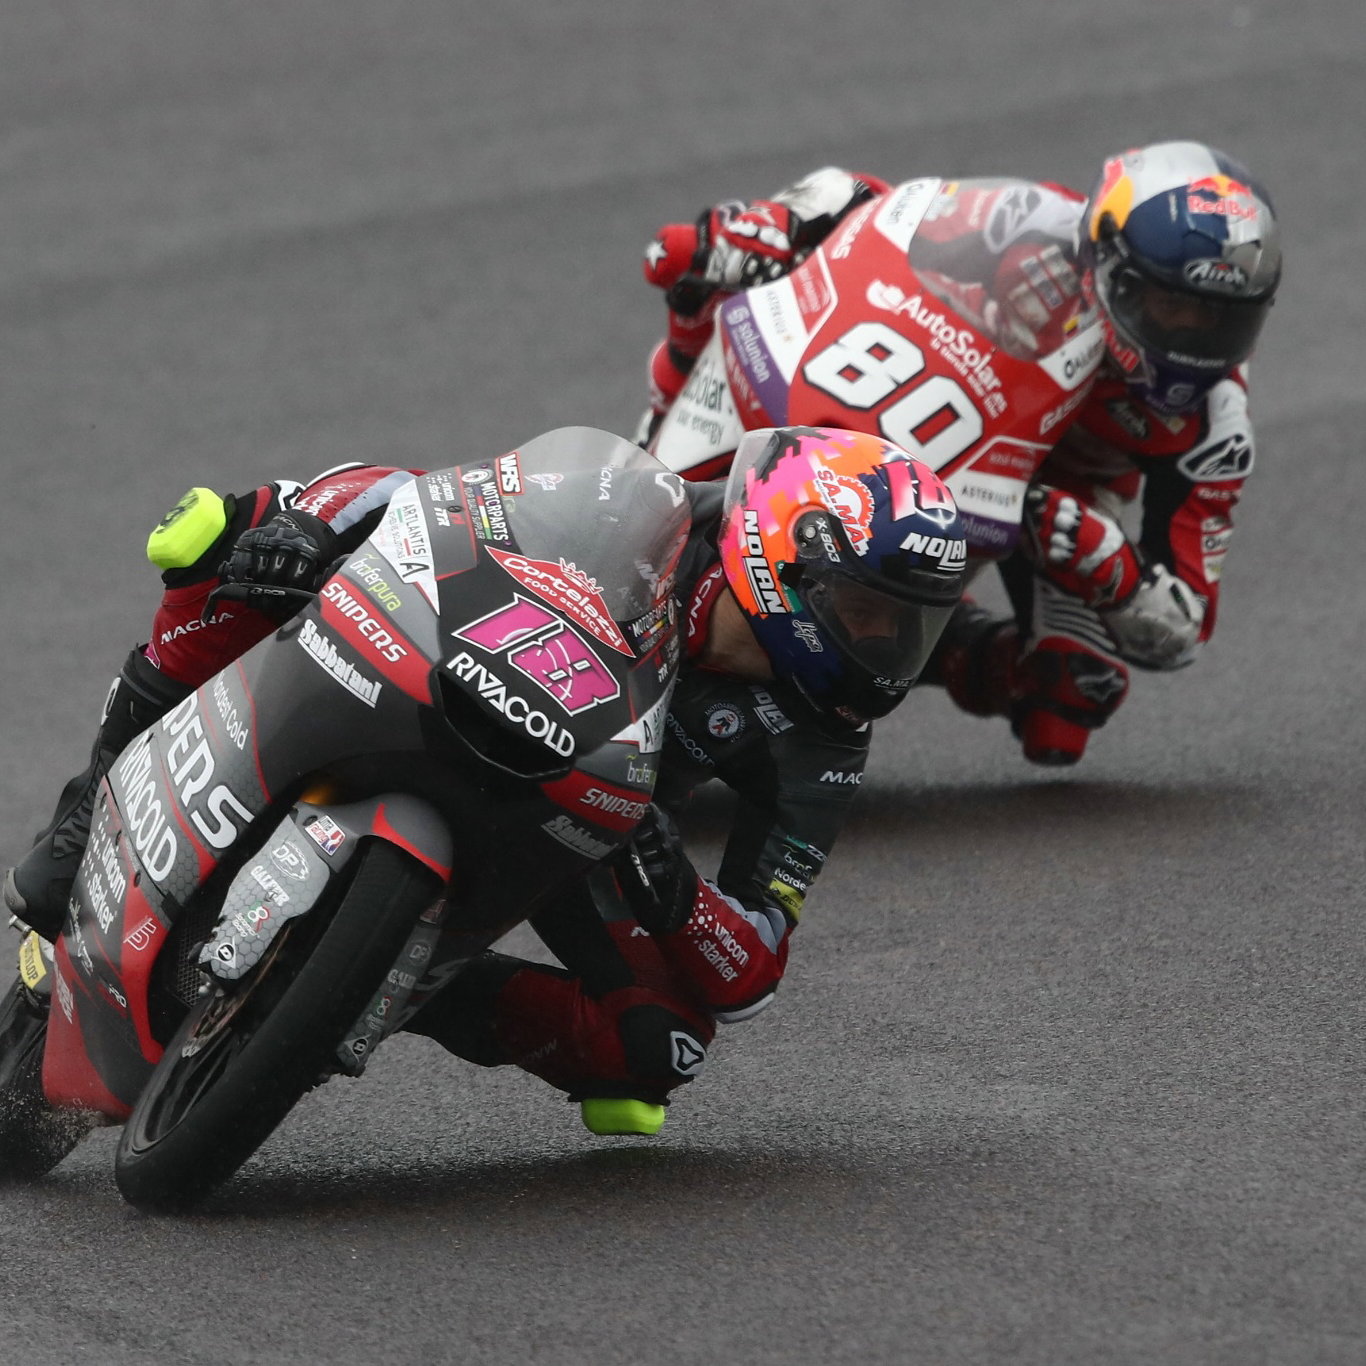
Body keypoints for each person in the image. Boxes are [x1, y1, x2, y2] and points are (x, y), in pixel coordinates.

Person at [5, 425, 967, 1135]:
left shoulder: (823, 741)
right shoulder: (655, 512)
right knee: (226, 535)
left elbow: (752, 967)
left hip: (593, 826)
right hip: (463, 663)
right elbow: (442, 498)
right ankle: (86, 809)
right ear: (781, 560)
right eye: (869, 614)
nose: (886, 656)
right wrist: (308, 532)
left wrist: (671, 884)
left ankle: (382, 987)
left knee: (657, 1044)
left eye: (908, 631)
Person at [637, 141, 1282, 764]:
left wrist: (1107, 563)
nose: (1194, 341)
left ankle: (949, 652)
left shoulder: (1214, 430)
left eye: (1221, 319)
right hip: (944, 425)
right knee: (714, 282)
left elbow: (1186, 628)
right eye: (1172, 306)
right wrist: (779, 222)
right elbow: (884, 207)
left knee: (1070, 689)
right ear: (1108, 264)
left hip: (1050, 510)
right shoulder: (1038, 234)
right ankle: (658, 433)